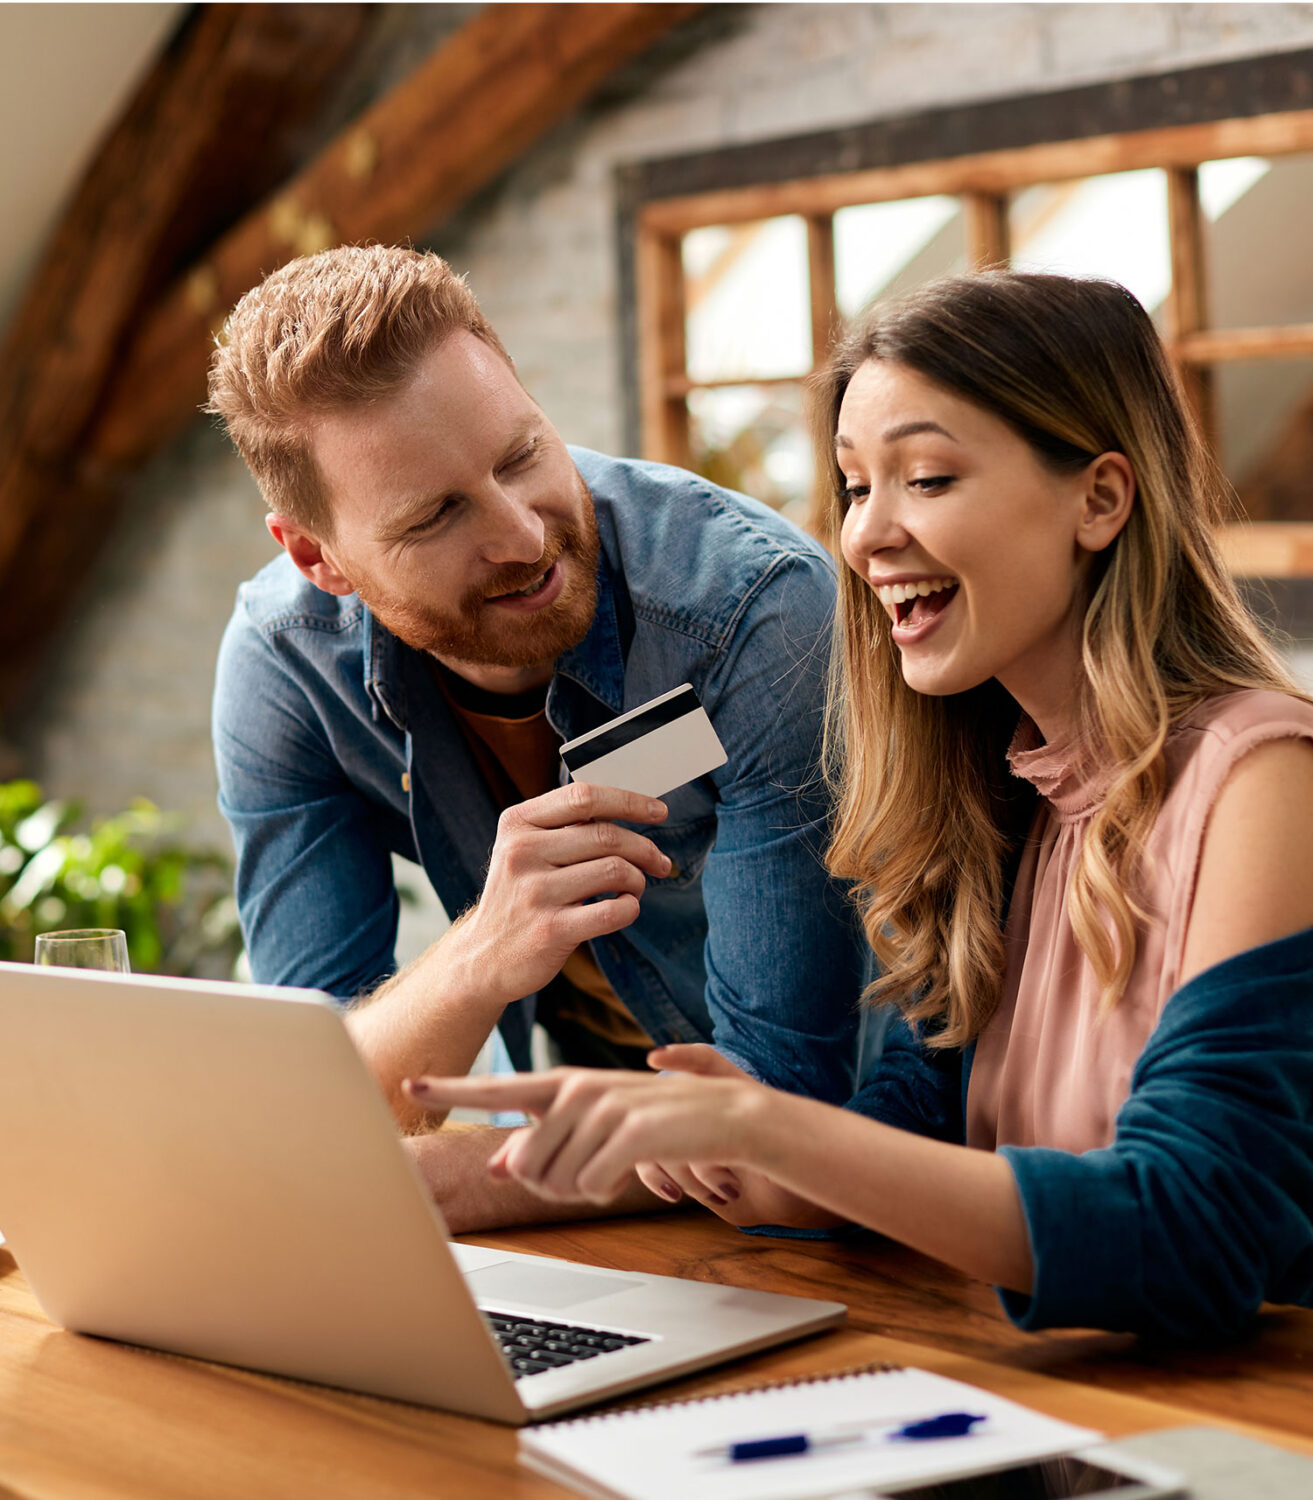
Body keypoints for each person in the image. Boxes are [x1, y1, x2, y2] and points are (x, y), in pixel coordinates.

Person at [411, 272, 1313, 1339]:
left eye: (925, 478)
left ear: (1099, 499)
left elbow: (1193, 1225)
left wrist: (773, 1130)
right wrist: (733, 1156)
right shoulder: (1005, 792)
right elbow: (920, 1128)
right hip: (1034, 1389)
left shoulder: (1262, 779)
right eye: (851, 488)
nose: (863, 537)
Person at [207, 244, 867, 1233]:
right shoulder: (287, 665)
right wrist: (481, 955)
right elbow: (320, 1089)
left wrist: (431, 1186)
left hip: (857, 1205)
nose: (522, 536)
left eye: (521, 454)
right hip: (601, 1204)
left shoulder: (750, 613)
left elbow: (782, 1112)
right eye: (435, 515)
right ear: (316, 556)